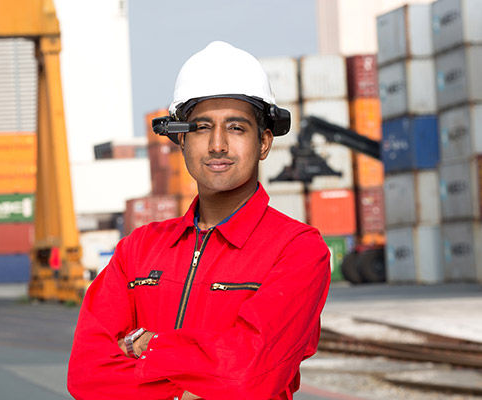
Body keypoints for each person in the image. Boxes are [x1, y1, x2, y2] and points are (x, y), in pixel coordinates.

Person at [68, 41, 331, 400]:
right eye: (202, 127)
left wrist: (152, 346)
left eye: (236, 128)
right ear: (181, 138)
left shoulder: (297, 250)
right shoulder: (138, 250)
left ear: (264, 142)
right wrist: (185, 391)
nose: (217, 144)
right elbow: (87, 374)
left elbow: (249, 378)